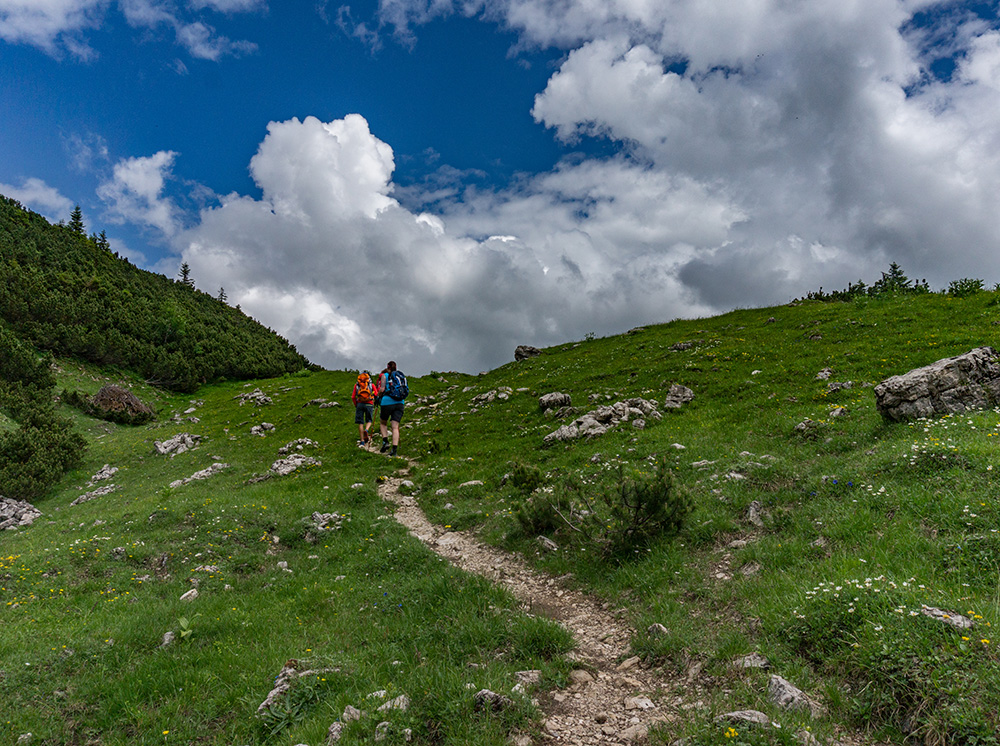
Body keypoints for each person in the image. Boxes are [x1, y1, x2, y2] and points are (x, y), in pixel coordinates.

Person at [376, 360, 407, 456]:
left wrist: (378, 397)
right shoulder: (400, 376)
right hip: (400, 402)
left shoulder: (385, 375)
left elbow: (382, 389)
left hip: (387, 402)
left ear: (388, 367)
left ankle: (385, 441)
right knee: (395, 427)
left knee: (383, 422)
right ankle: (394, 450)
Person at [351, 370, 376, 446]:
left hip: (360, 404)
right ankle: (366, 429)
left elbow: (353, 397)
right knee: (369, 420)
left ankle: (362, 441)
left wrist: (356, 404)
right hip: (369, 404)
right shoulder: (371, 385)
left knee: (360, 423)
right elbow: (376, 393)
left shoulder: (357, 385)